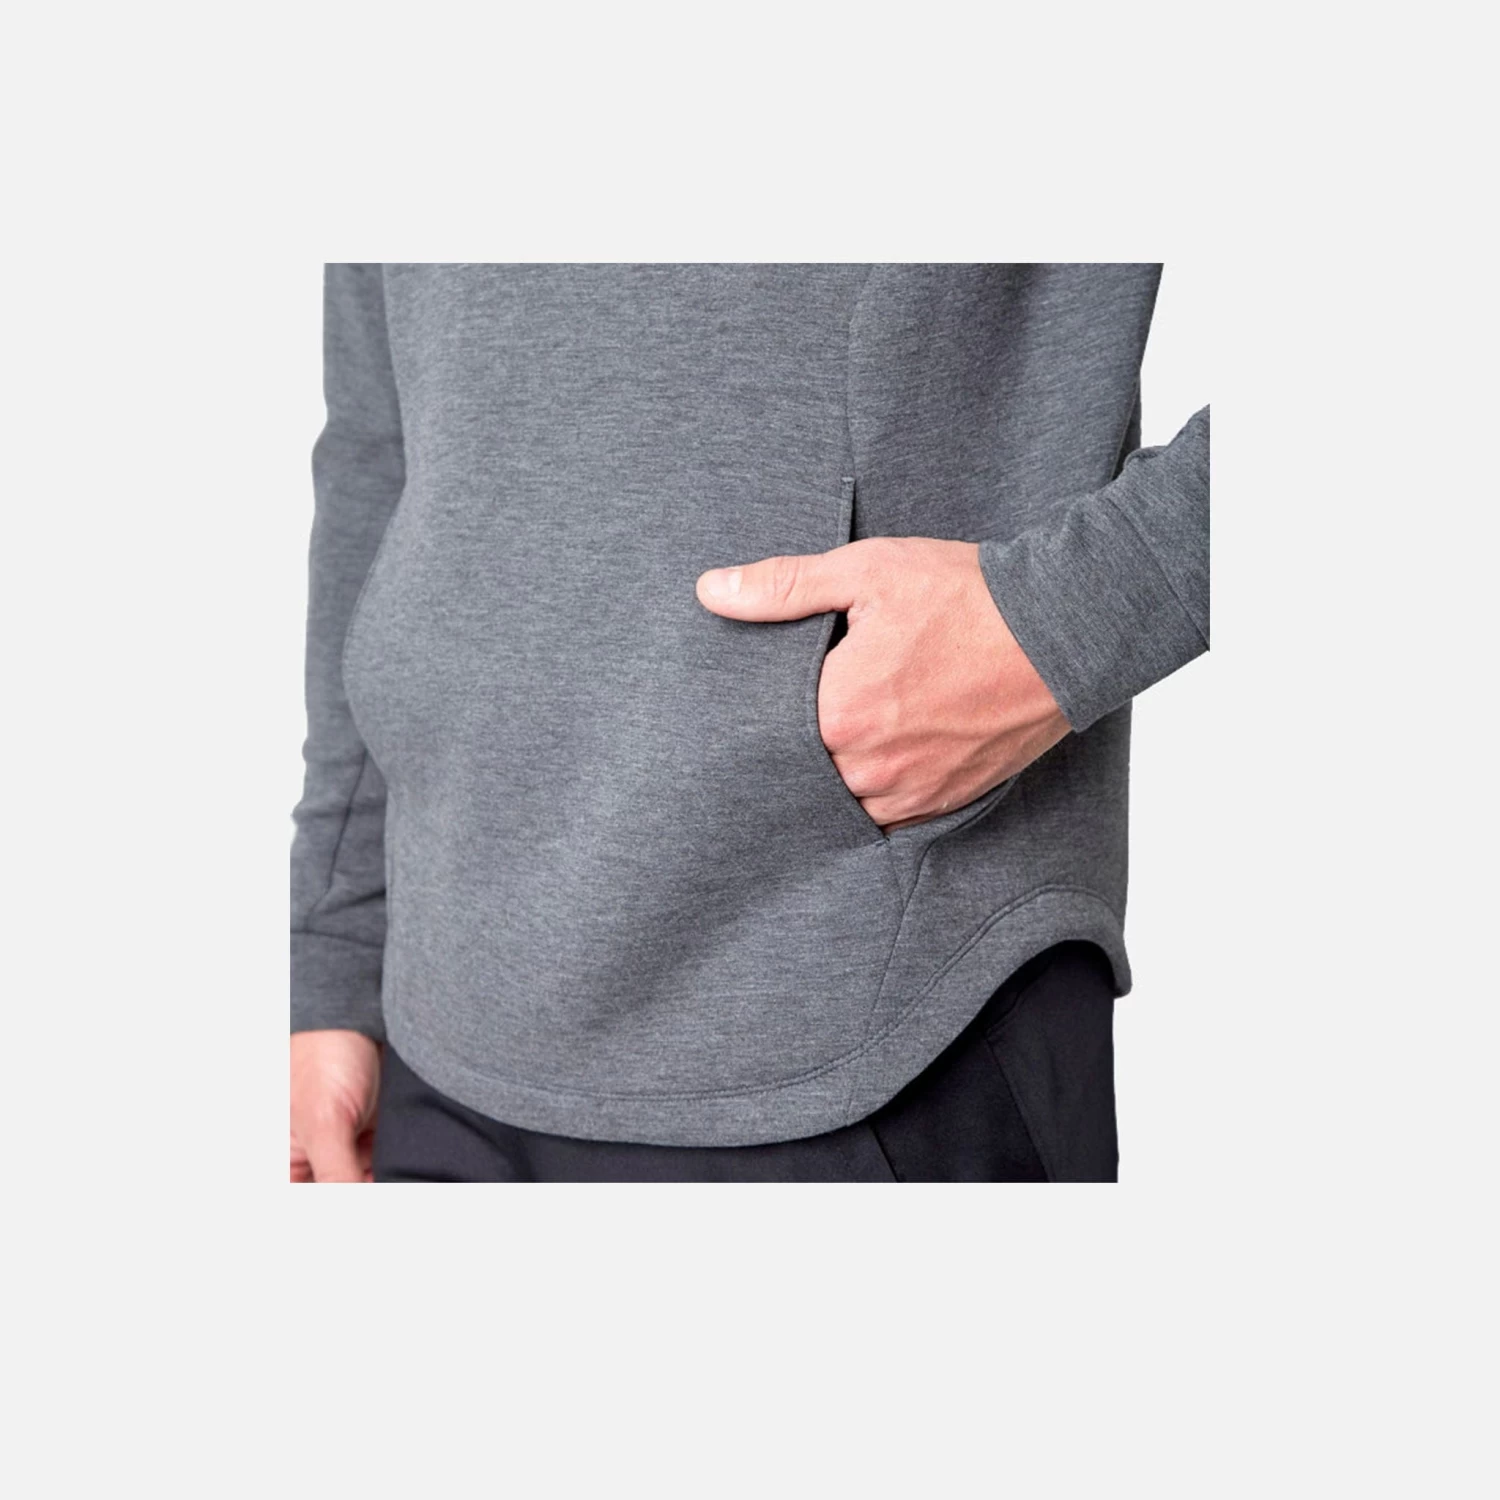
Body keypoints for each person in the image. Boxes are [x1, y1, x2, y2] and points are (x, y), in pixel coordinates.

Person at [289, 263, 1209, 1183]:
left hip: (869, 986)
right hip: (436, 1006)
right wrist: (336, 946)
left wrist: (1070, 612)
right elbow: (382, 434)